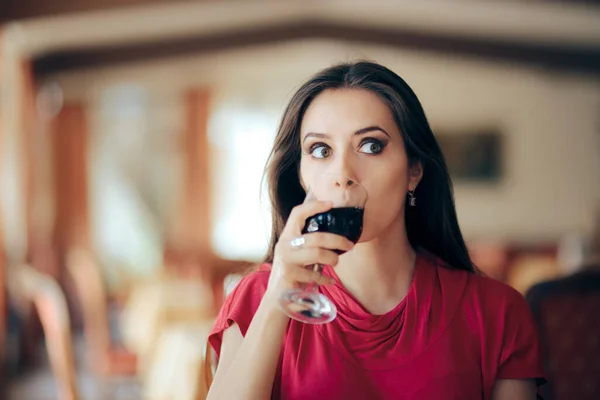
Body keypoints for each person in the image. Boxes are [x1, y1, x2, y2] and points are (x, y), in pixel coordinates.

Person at [207, 61, 545, 399]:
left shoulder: (497, 313)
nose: (343, 172)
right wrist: (275, 301)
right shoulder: (256, 299)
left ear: (414, 169)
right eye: (321, 150)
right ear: (299, 176)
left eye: (371, 145)